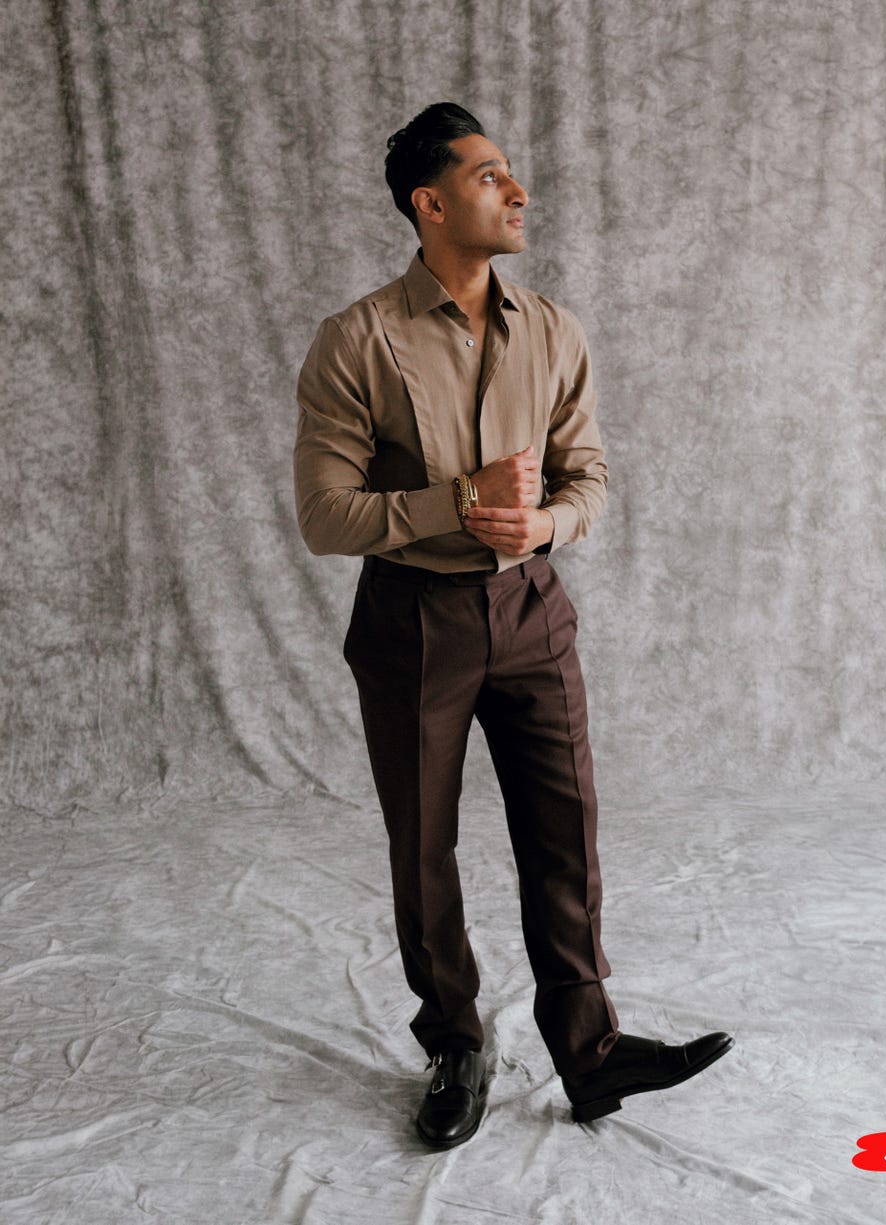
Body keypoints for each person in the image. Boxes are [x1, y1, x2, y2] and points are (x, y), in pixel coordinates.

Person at [294, 102, 732, 1149]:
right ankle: (454, 1040)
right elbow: (323, 517)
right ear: (430, 202)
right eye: (491, 177)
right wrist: (459, 499)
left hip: (531, 608)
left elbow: (590, 477)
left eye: (511, 174)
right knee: (424, 848)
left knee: (564, 832)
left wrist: (544, 520)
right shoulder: (356, 339)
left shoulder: (552, 331)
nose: (517, 190)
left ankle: (588, 1051)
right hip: (412, 618)